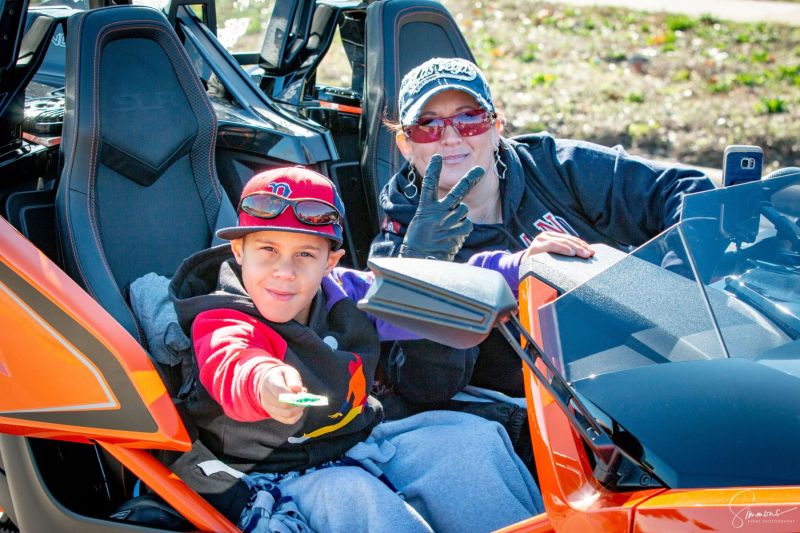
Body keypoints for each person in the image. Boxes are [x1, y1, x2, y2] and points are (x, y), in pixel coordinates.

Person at [167, 167, 542, 532]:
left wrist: (524, 265)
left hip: (357, 440)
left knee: (468, 441)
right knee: (355, 497)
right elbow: (231, 361)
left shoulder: (346, 292)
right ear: (238, 251)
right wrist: (264, 381)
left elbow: (430, 287)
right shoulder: (224, 318)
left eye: (305, 255)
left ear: (330, 262)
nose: (284, 270)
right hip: (273, 469)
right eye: (267, 249)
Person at [371, 57, 715, 398]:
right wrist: (427, 273)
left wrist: (677, 289)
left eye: (469, 118)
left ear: (496, 127)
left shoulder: (552, 165)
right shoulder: (400, 245)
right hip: (553, 417)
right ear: (405, 143)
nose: (450, 137)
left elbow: (688, 191)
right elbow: (426, 387)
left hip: (652, 363)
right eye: (428, 125)